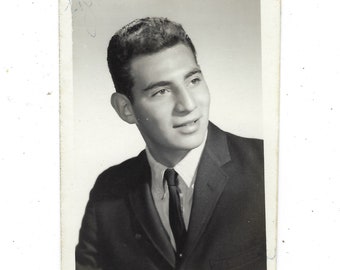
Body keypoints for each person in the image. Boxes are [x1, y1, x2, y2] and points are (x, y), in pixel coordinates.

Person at [76, 17, 266, 270]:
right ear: (125, 108)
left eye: (193, 80)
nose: (188, 105)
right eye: (161, 92)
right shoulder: (107, 192)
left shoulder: (267, 166)